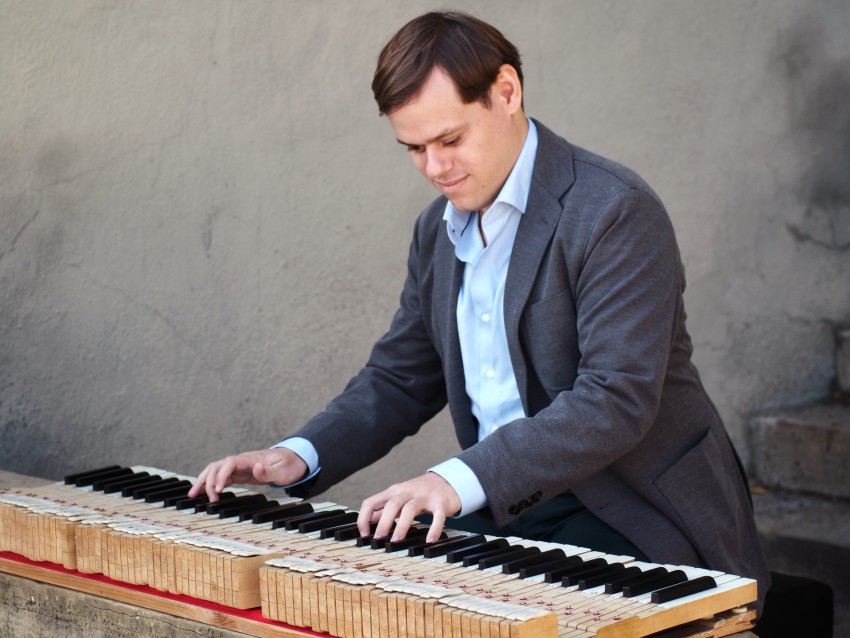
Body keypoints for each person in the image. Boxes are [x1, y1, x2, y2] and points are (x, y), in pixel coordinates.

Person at [190, 10, 770, 613]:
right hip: (504, 501)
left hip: (634, 510)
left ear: (507, 92)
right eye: (413, 148)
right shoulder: (434, 231)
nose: (435, 168)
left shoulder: (614, 211)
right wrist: (301, 453)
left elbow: (616, 399)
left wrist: (450, 480)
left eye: (450, 139)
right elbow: (399, 378)